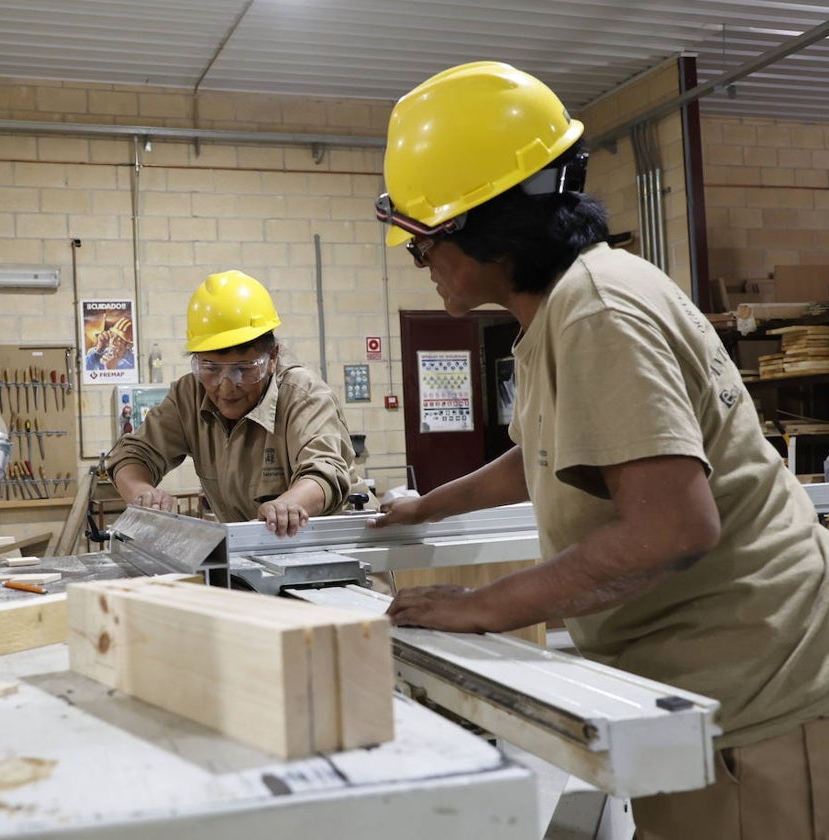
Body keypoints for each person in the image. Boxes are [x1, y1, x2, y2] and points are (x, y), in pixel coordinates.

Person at [369, 61, 829, 840]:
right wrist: (426, 506)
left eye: (425, 244)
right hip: (700, 692)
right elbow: (546, 454)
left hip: (754, 698)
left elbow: (673, 529)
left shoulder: (598, 312)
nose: (423, 266)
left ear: (487, 230)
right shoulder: (564, 309)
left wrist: (482, 608)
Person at [107, 270, 364, 537]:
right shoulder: (189, 394)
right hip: (253, 556)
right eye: (210, 368)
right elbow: (132, 454)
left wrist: (289, 505)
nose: (227, 385)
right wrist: (141, 493)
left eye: (244, 368)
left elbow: (325, 472)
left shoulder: (303, 394)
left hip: (332, 553)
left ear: (272, 357)